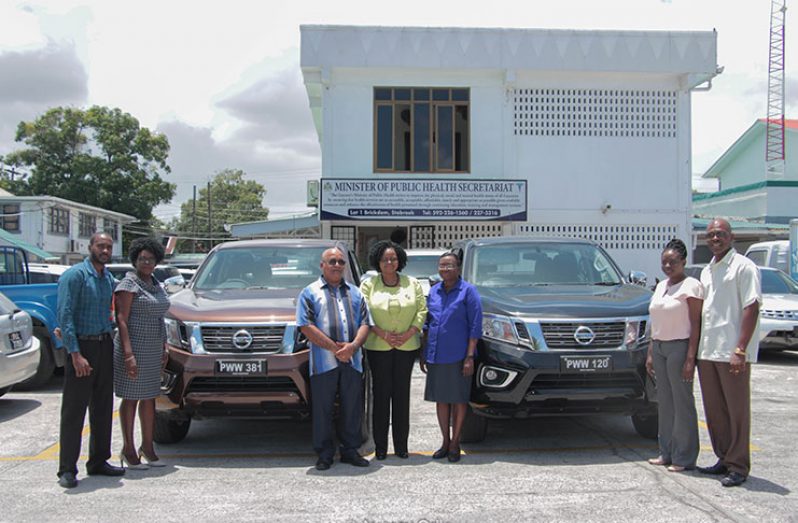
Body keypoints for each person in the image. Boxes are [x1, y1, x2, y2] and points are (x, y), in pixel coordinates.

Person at [56, 232, 125, 488]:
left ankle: (98, 461)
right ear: (91, 247)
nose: (105, 250)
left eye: (108, 246)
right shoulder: (74, 276)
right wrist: (75, 354)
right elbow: (65, 314)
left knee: (103, 407)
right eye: (101, 246)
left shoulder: (107, 278)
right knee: (74, 410)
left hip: (104, 344)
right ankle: (66, 469)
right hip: (81, 347)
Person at [696, 218, 761, 487]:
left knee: (736, 411)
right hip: (708, 351)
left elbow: (752, 306)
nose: (715, 239)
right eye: (711, 235)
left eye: (720, 234)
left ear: (731, 237)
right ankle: (723, 458)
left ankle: (738, 465)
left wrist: (740, 349)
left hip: (730, 351)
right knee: (714, 411)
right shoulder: (706, 271)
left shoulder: (744, 267)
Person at [296, 247, 373, 470]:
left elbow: (366, 323)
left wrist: (353, 347)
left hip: (353, 360)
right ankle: (324, 453)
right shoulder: (309, 293)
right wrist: (335, 349)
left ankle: (350, 451)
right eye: (332, 261)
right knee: (323, 410)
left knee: (352, 408)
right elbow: (305, 325)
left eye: (340, 261)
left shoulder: (356, 293)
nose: (337, 265)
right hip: (323, 362)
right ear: (322, 265)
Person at [360, 240, 427, 460]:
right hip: (378, 346)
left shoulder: (412, 283)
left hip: (407, 347)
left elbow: (421, 310)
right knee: (381, 396)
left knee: (401, 396)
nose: (390, 262)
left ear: (400, 261)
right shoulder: (369, 285)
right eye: (385, 259)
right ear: (378, 262)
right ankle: (380, 447)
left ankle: (401, 446)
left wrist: (409, 333)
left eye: (394, 258)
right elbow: (364, 312)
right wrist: (382, 333)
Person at [645, 239, 702, 472]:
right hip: (659, 347)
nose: (668, 265)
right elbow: (655, 322)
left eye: (673, 261)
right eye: (664, 262)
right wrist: (650, 352)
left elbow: (696, 323)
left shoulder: (692, 286)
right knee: (665, 403)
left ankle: (684, 457)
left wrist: (691, 357)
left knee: (682, 403)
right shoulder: (661, 286)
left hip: (680, 347)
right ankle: (666, 452)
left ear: (684, 261)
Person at [114, 237, 171, 470]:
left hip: (153, 347)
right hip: (133, 347)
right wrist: (129, 354)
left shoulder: (156, 284)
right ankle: (128, 449)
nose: (146, 262)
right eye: (142, 258)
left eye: (151, 259)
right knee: (131, 398)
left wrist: (165, 345)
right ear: (135, 260)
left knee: (149, 398)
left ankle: (148, 447)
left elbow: (161, 316)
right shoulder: (129, 285)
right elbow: (121, 319)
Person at [421, 251, 482, 463]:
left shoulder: (468, 292)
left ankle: (456, 442)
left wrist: (469, 357)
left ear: (458, 268)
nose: (446, 269)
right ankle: (444, 441)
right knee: (441, 399)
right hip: (436, 355)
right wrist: (424, 353)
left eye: (450, 266)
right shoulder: (434, 291)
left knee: (458, 400)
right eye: (442, 265)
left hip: (458, 355)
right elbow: (428, 323)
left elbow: (475, 327)